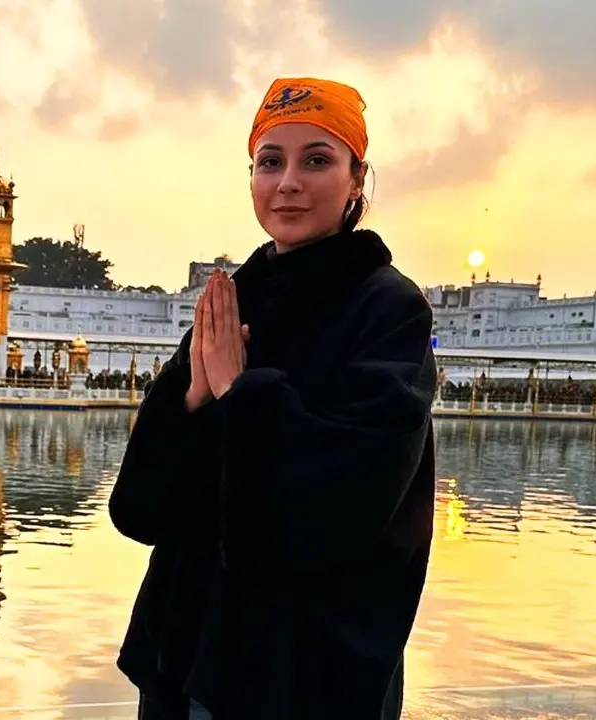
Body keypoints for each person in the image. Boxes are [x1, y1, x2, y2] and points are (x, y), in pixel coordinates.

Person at [108, 77, 438, 719]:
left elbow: (356, 502)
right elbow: (141, 510)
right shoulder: (238, 299)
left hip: (302, 665)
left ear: (356, 179)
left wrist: (242, 394)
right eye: (271, 161)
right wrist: (190, 403)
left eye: (317, 159)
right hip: (190, 648)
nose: (288, 182)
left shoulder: (389, 309)